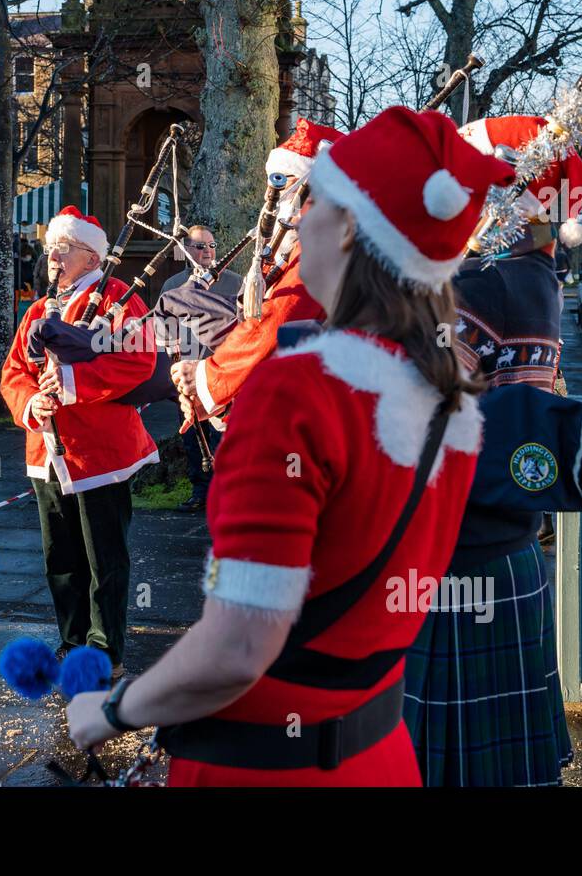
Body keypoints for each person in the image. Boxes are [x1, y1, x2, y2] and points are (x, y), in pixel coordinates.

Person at [64, 106, 514, 786]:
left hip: (263, 768)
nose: (298, 220)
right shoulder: (451, 394)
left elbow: (240, 648)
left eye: (317, 203)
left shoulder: (299, 392)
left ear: (352, 228)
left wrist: (113, 709)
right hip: (381, 757)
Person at [403, 114, 582, 787]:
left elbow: (414, 401)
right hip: (510, 548)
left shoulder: (483, 282)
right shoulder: (537, 274)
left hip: (458, 552)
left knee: (440, 769)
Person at [0, 206, 158, 678]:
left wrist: (69, 382)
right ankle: (72, 640)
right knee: (61, 557)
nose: (52, 256)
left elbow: (140, 362)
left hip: (99, 453)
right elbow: (13, 373)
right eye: (50, 249)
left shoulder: (118, 299)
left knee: (104, 556)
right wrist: (32, 403)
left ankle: (105, 650)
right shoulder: (36, 310)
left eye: (62, 249)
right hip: (47, 451)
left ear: (92, 257)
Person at [171, 118, 343, 422]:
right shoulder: (303, 241)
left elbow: (280, 321)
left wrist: (207, 379)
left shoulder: (322, 240)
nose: (271, 194)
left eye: (281, 180)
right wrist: (221, 395)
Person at [158, 224, 242, 513]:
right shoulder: (172, 286)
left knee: (227, 439)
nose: (207, 250)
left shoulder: (235, 282)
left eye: (211, 245)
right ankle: (200, 491)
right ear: (185, 250)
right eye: (199, 246)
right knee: (193, 435)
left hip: (223, 372)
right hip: (186, 374)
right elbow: (165, 329)